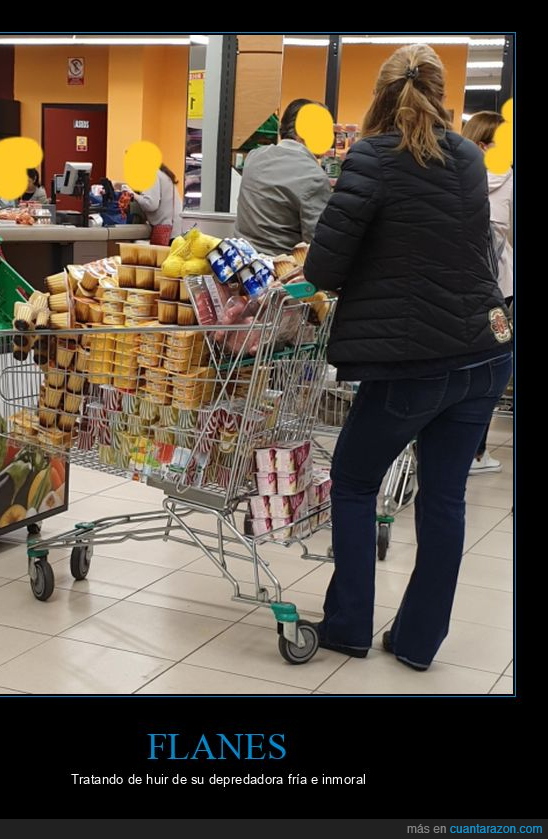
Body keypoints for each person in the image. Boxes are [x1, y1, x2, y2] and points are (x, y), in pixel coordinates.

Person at [303, 45, 512, 671]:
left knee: (355, 479)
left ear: (378, 94)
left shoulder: (370, 157)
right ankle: (419, 643)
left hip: (412, 360)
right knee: (444, 498)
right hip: (485, 352)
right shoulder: (472, 158)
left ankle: (347, 627)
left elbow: (325, 266)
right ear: (442, 93)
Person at [462, 111, 514, 475]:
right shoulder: (509, 182)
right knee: (491, 374)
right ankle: (476, 452)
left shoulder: (454, 180)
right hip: (501, 293)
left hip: (459, 291)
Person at [234, 99, 333, 255]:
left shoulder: (254, 157)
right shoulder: (314, 177)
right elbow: (317, 245)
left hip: (242, 263)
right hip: (282, 271)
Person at [128, 164, 182, 244]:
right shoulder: (160, 172)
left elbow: (151, 204)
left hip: (168, 230)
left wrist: (134, 195)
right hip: (177, 227)